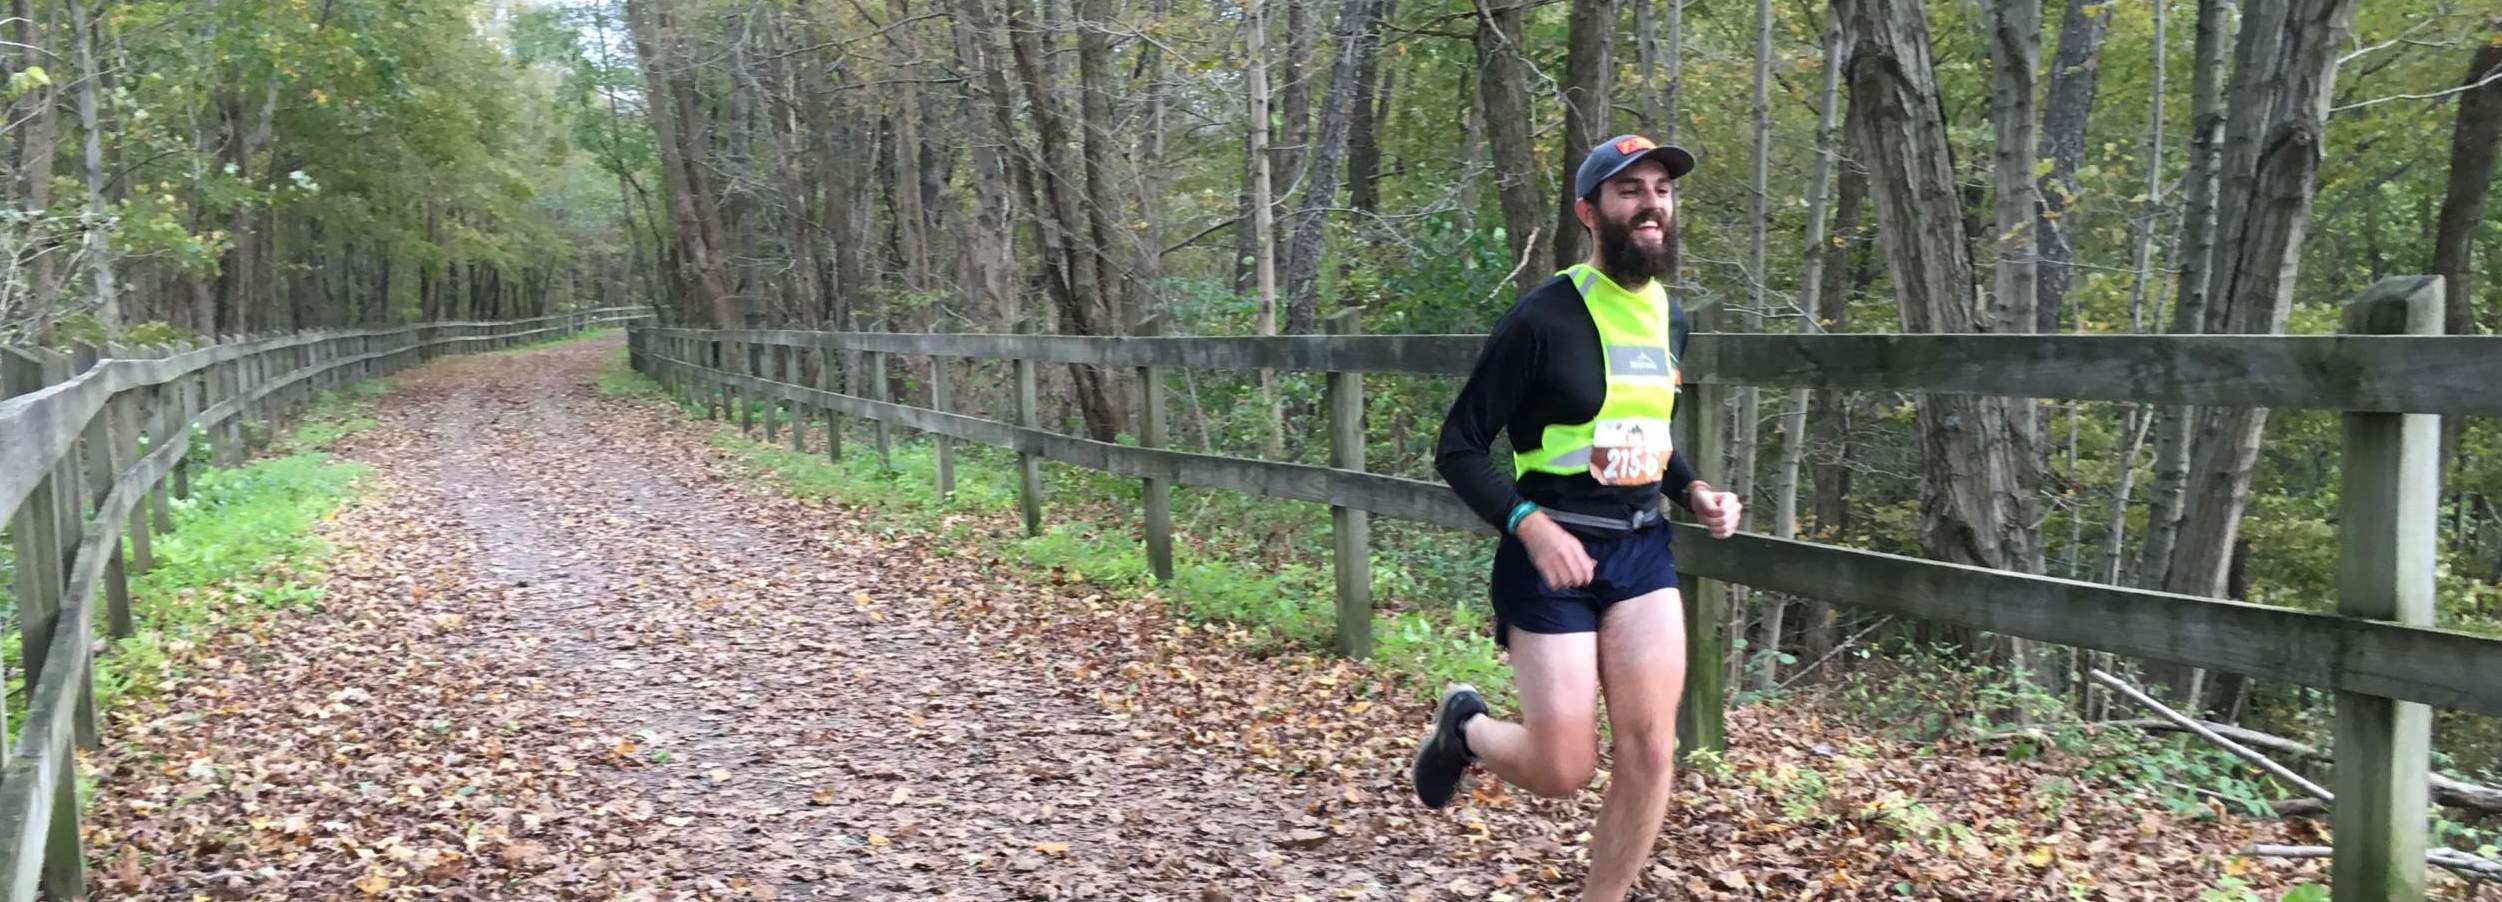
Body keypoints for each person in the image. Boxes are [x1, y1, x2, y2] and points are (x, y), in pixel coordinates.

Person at [1412, 134, 1744, 901]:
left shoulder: (1672, 318)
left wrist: (1692, 491)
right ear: (1589, 212)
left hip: (1641, 550)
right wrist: (1530, 523)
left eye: (1661, 188)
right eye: (1630, 191)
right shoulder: (1542, 319)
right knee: (1564, 770)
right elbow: (1459, 447)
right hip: (1549, 552)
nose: (1651, 203)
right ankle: (1464, 727)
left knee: (1652, 751)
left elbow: (1646, 433)